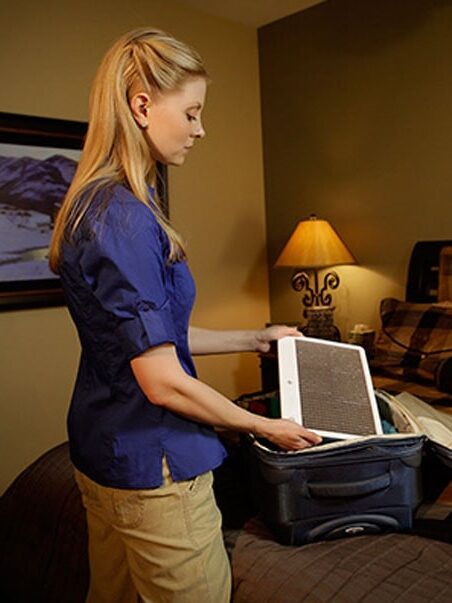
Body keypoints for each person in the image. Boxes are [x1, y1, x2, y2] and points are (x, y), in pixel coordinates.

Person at [49, 27, 321, 603]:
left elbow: (155, 340)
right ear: (143, 106)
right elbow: (163, 380)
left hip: (102, 451)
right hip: (156, 467)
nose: (201, 129)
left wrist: (255, 336)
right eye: (192, 113)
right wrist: (265, 427)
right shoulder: (126, 219)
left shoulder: (93, 204)